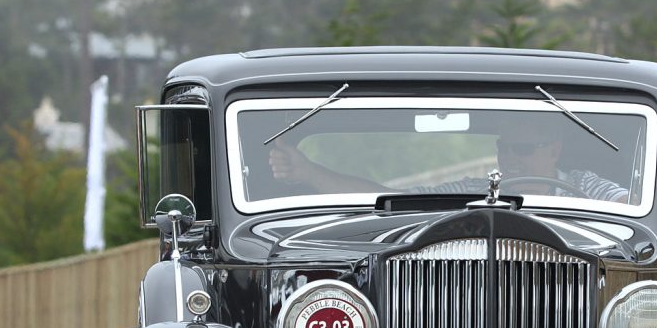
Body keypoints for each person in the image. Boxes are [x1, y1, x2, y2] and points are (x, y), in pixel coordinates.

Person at [266, 118, 629, 203]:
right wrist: (308, 171)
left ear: (554, 150)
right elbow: (394, 198)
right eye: (506, 147)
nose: (510, 157)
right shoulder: (474, 189)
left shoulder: (584, 187)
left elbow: (627, 207)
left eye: (524, 149)